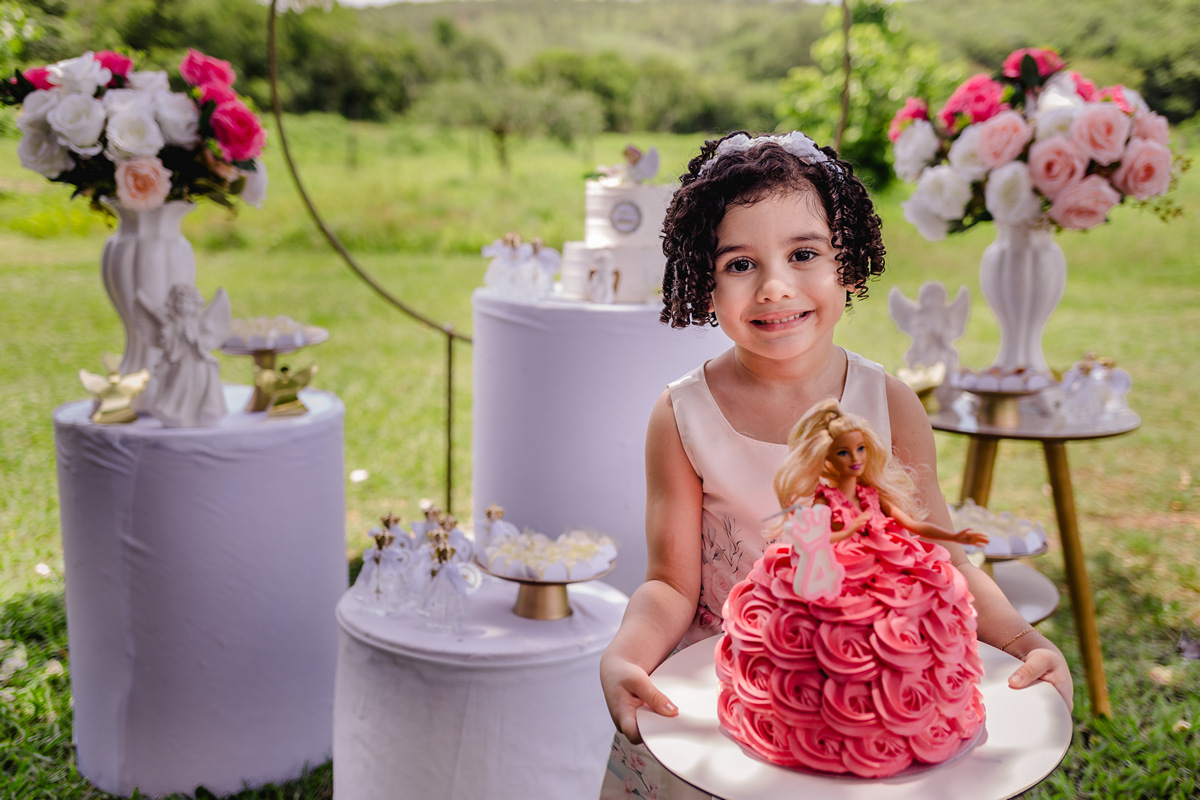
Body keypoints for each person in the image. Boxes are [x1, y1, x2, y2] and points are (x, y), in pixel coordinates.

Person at [597, 131, 1072, 799]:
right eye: (739, 264)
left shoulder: (889, 404)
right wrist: (627, 654)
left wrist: (1024, 642)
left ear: (847, 264)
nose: (774, 287)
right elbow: (670, 586)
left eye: (804, 253)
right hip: (726, 709)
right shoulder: (680, 416)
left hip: (869, 713)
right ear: (703, 281)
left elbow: (948, 564)